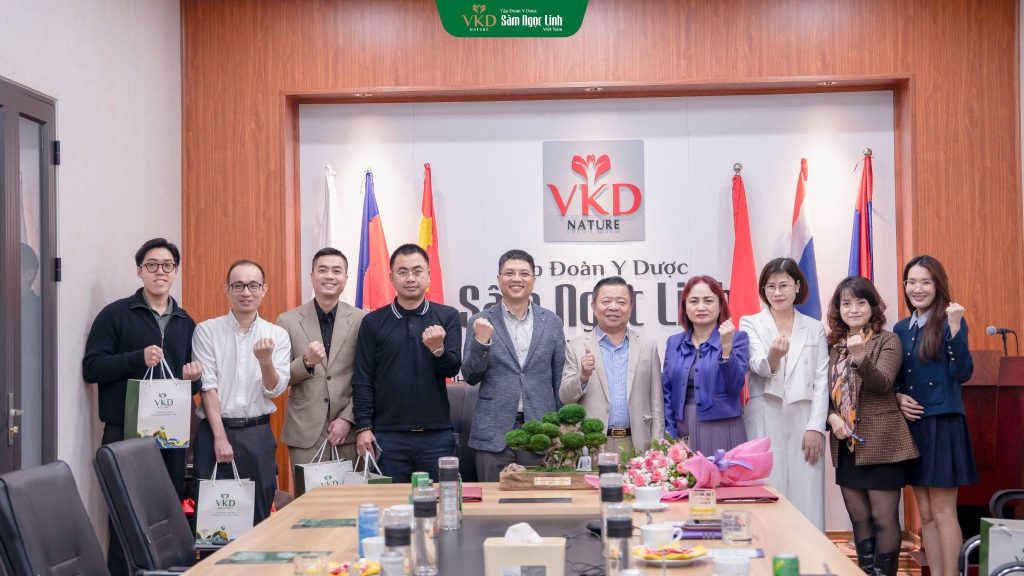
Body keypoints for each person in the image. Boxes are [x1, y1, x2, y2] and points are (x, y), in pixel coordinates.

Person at [82, 237, 202, 576]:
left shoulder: (185, 321)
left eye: (167, 266)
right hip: (125, 433)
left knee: (165, 517)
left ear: (175, 272)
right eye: (151, 265)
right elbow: (92, 368)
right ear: (139, 271)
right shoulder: (116, 314)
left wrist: (193, 378)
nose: (159, 272)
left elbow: (188, 386)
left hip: (171, 438)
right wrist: (137, 358)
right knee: (125, 517)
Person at [825, 276, 918, 576]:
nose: (853, 309)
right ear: (838, 309)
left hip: (883, 444)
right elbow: (820, 392)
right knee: (860, 520)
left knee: (883, 519)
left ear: (873, 306)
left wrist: (860, 358)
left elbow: (884, 384)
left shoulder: (888, 340)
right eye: (846, 303)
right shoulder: (832, 346)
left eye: (860, 302)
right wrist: (831, 417)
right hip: (847, 445)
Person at [894, 255, 976, 576]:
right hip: (915, 426)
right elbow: (897, 377)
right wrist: (898, 396)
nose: (918, 288)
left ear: (937, 285)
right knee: (925, 513)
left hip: (943, 422)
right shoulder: (901, 328)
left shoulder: (950, 321)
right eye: (911, 282)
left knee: (943, 511)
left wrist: (955, 328)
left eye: (925, 282)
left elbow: (963, 372)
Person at [352, 244, 462, 482]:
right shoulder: (372, 322)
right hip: (388, 436)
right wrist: (363, 427)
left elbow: (452, 368)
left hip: (436, 434)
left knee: (442, 500)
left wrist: (438, 349)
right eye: (402, 272)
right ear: (391, 277)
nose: (410, 278)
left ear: (428, 276)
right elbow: (363, 378)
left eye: (417, 271)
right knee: (389, 503)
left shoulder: (447, 316)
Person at [192, 259, 290, 524]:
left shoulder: (277, 335)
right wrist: (220, 438)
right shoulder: (206, 330)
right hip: (215, 431)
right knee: (214, 520)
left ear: (264, 290)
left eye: (253, 285)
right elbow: (208, 386)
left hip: (257, 433)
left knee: (259, 515)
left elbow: (275, 389)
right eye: (238, 285)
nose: (246, 292)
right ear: (227, 289)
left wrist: (266, 361)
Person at [462, 249, 566, 481]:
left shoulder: (551, 322)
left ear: (533, 280)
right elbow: (470, 376)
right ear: (499, 279)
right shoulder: (480, 321)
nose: (516, 279)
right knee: (492, 499)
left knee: (542, 499)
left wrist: (560, 430)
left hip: (540, 432)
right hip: (493, 435)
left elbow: (559, 379)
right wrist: (481, 343)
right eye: (509, 273)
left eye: (523, 273)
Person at [740, 258, 828, 529]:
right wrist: (774, 356)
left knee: (807, 494)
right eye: (770, 286)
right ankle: (769, 551)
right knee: (769, 490)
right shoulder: (751, 322)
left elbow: (822, 379)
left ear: (797, 286)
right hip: (766, 414)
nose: (777, 293)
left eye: (784, 285)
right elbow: (757, 365)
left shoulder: (813, 326)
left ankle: (809, 552)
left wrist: (816, 427)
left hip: (803, 417)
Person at [277, 248, 366, 470]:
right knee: (308, 493)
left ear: (346, 277)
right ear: (312, 276)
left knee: (348, 493)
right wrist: (306, 362)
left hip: (348, 431)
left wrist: (348, 418)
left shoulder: (362, 320)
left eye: (336, 271)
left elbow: (368, 377)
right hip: (304, 431)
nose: (329, 276)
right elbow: (279, 378)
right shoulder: (287, 321)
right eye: (323, 270)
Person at [560, 276, 664, 454]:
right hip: (593, 444)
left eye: (621, 302)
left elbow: (657, 404)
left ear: (631, 307)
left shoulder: (648, 346)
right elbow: (565, 398)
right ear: (594, 307)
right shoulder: (576, 347)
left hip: (638, 443)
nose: (614, 307)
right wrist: (583, 376)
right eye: (606, 301)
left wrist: (657, 448)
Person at [662, 275, 749, 456]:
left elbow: (736, 385)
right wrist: (670, 432)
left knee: (723, 474)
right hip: (683, 427)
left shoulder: (737, 339)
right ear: (685, 307)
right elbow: (667, 391)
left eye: (708, 301)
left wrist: (726, 348)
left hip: (724, 428)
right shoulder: (673, 342)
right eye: (694, 301)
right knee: (685, 474)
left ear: (720, 305)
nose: (701, 307)